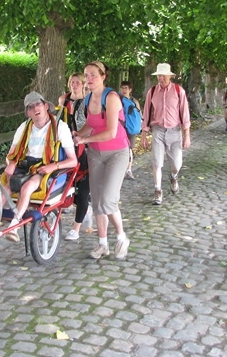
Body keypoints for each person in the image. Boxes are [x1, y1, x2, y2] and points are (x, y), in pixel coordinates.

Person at [1, 91, 78, 242]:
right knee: (5, 186)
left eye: (38, 104)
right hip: (25, 165)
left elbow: (73, 161)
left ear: (45, 106)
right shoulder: (24, 127)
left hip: (45, 168)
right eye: (31, 107)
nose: (35, 108)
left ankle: (14, 225)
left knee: (26, 187)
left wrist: (53, 166)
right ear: (28, 113)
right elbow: (11, 154)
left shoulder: (59, 127)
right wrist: (11, 164)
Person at [73, 61, 130, 260]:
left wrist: (85, 139)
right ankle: (103, 244)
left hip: (117, 153)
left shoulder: (112, 98)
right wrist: (76, 135)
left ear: (103, 76)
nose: (89, 79)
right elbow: (90, 124)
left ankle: (122, 237)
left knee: (108, 199)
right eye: (86, 75)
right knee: (97, 200)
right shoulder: (89, 99)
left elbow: (110, 132)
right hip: (95, 154)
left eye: (93, 75)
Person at [141, 63, 191, 205]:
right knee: (157, 162)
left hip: (175, 131)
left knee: (177, 164)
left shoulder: (178, 91)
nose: (160, 78)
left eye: (163, 75)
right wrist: (144, 135)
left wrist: (187, 135)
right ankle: (158, 190)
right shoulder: (152, 92)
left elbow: (185, 113)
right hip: (158, 131)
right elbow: (146, 113)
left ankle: (173, 176)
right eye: (159, 75)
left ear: (170, 76)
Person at [58, 74, 91, 241]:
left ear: (83, 85)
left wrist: (82, 137)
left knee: (83, 186)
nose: (74, 85)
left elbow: (91, 124)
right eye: (72, 82)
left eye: (78, 82)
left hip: (85, 146)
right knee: (67, 184)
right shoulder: (63, 100)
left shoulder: (89, 101)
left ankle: (76, 228)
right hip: (66, 146)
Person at [119, 80, 141, 180]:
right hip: (124, 127)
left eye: (126, 88)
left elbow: (139, 115)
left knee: (129, 148)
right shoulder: (121, 100)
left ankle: (127, 169)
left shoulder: (133, 101)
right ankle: (126, 169)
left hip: (129, 128)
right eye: (122, 88)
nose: (124, 90)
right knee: (125, 148)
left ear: (130, 89)